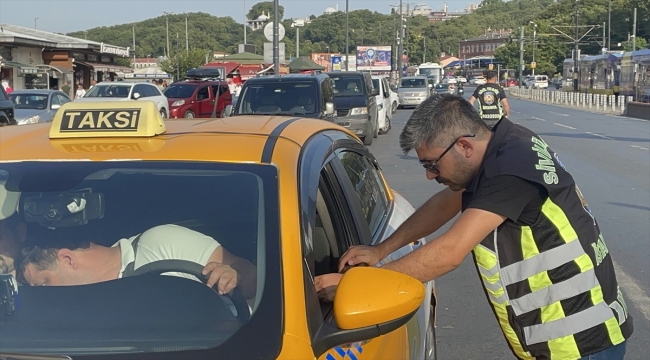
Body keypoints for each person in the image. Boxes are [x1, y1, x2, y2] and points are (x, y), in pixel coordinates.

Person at [335, 94, 633, 360]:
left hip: (580, 343)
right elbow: (447, 202)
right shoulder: (505, 145)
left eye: (431, 164)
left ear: (463, 145)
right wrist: (381, 249)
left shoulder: (511, 171)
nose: (430, 175)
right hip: (571, 335)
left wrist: (362, 284)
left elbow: (451, 251)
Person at [17, 224, 257, 299]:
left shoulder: (160, 243)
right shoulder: (77, 320)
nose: (43, 298)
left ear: (68, 260)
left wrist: (230, 276)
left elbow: (254, 279)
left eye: (44, 285)